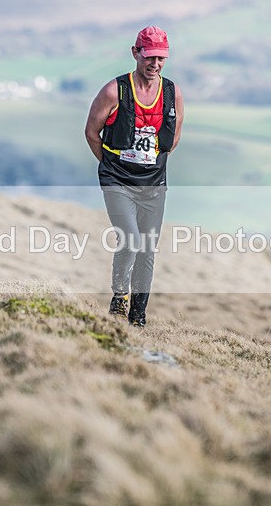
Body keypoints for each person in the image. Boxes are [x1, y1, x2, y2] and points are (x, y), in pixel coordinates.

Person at [84, 25, 184, 327]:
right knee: (130, 240)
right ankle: (119, 298)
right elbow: (91, 132)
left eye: (161, 58)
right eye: (149, 57)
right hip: (118, 182)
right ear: (135, 53)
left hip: (153, 185)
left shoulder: (172, 92)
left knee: (147, 249)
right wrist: (112, 168)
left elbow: (174, 137)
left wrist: (152, 165)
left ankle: (138, 318)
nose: (155, 64)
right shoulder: (114, 90)